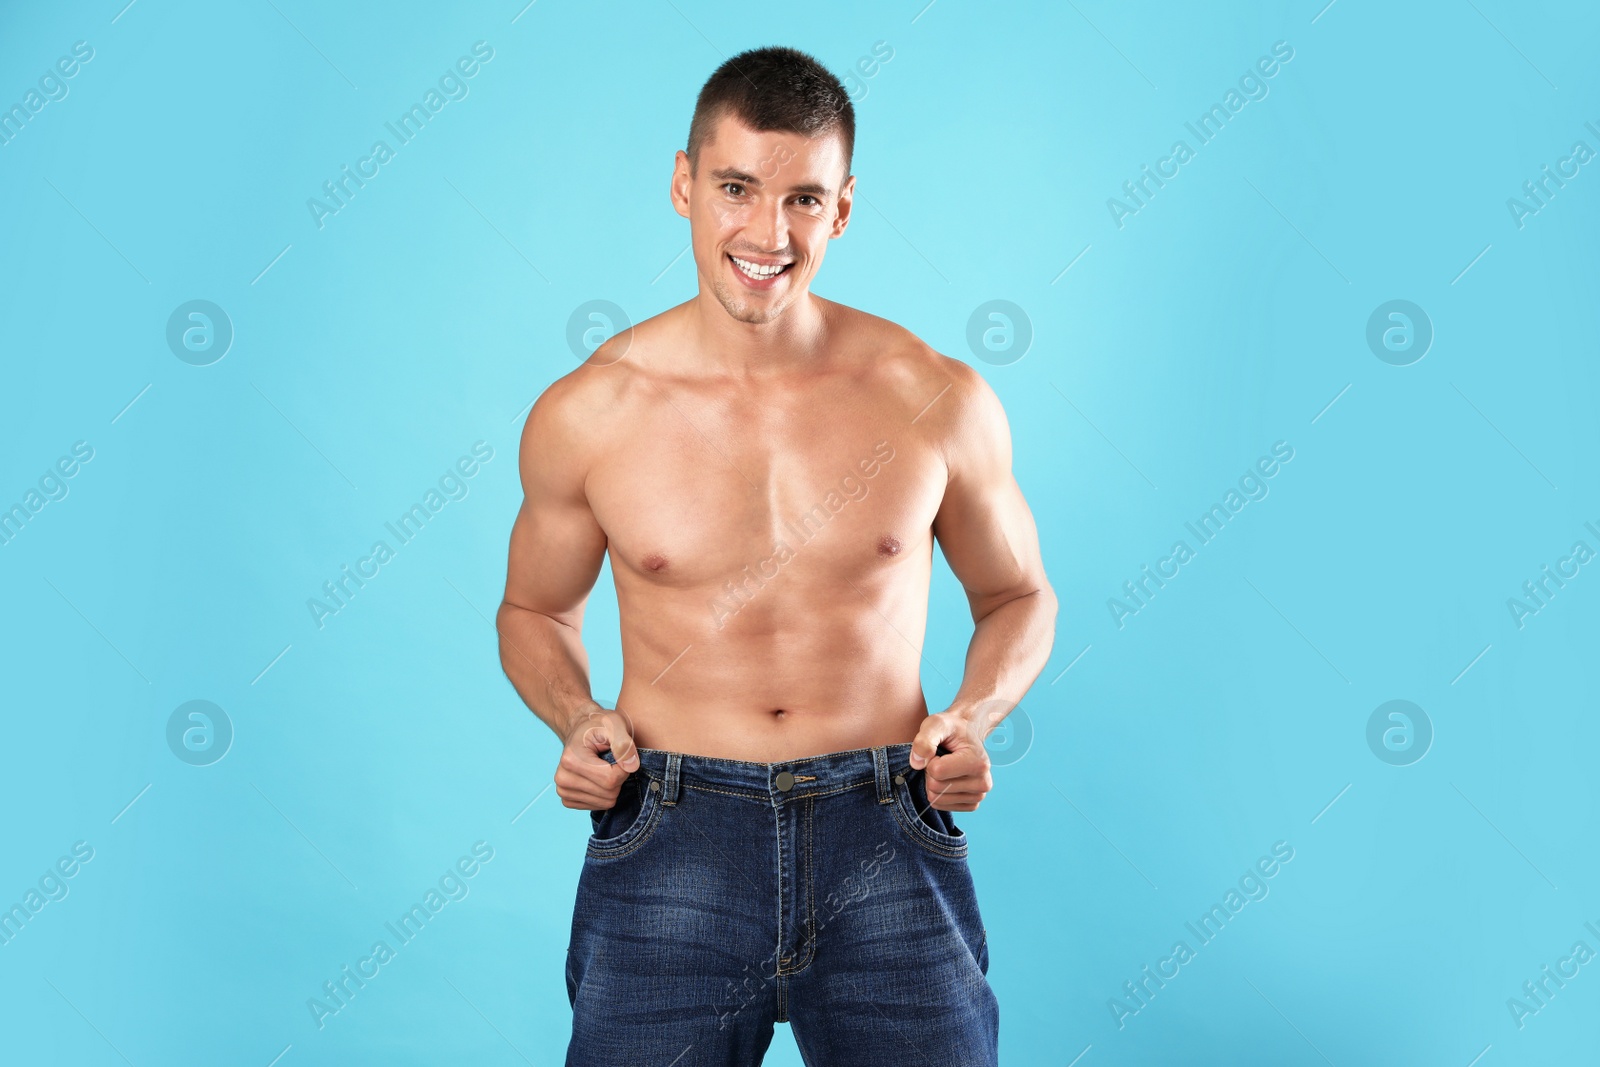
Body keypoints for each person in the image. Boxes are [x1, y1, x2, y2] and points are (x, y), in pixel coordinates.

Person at [496, 44, 1056, 1067]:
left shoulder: (932, 395)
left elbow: (1017, 591)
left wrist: (974, 716)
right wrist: (577, 718)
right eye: (737, 189)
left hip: (886, 823)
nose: (767, 232)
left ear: (842, 209)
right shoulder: (591, 412)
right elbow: (532, 611)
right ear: (683, 184)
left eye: (803, 198)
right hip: (671, 829)